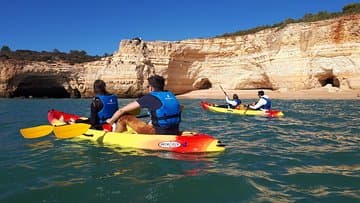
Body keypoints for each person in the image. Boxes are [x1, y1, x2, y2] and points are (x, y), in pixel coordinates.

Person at [106, 75, 181, 135]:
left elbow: (122, 110)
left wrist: (111, 120)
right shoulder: (170, 95)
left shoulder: (150, 97)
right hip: (174, 130)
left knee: (124, 117)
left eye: (148, 87)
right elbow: (179, 108)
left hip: (158, 132)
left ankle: (116, 136)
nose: (148, 88)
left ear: (151, 88)